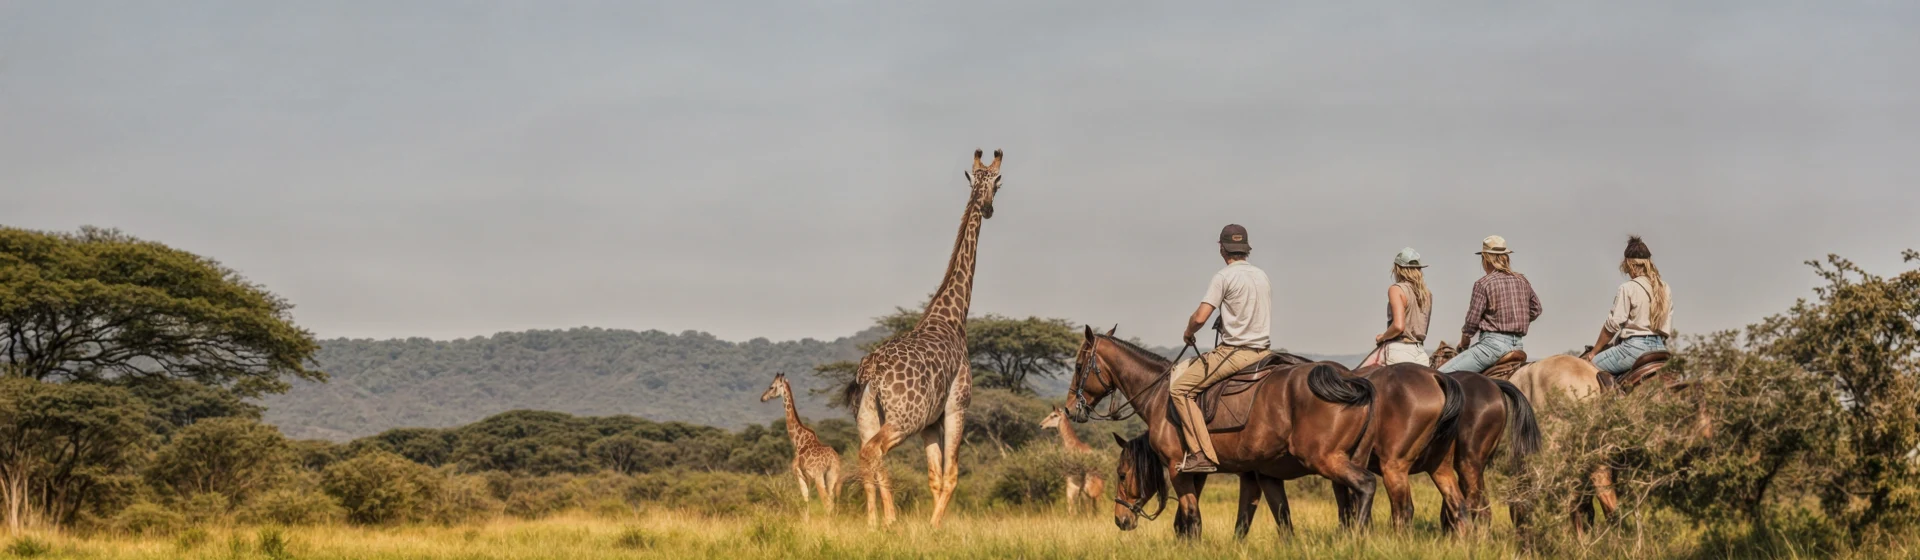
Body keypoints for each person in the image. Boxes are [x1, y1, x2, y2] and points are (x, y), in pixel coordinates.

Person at [1170, 224, 1274, 473]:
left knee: (1179, 389)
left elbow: (1200, 317)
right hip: (1265, 351)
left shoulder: (1223, 277)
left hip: (1236, 352)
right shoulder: (1262, 275)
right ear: (1246, 249)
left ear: (1222, 249)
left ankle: (1201, 454)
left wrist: (1188, 332)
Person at [1437, 235, 1543, 374]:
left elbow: (1471, 322)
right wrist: (1516, 319)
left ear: (1486, 259)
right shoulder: (1522, 280)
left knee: (1440, 376)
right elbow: (1536, 309)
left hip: (1492, 347)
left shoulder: (1483, 283)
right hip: (1518, 345)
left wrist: (1464, 342)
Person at [1581, 236, 1674, 374]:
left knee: (1585, 369)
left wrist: (1593, 352)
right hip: (1660, 349)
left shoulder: (1628, 287)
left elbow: (1612, 325)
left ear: (1629, 265)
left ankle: (1610, 396)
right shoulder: (1665, 288)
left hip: (1633, 349)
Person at [1367, 247, 1433, 366]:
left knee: (1359, 378)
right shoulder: (1427, 294)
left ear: (1398, 269)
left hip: (1399, 350)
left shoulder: (1396, 289)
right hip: (1421, 353)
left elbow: (1398, 326)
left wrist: (1382, 337)